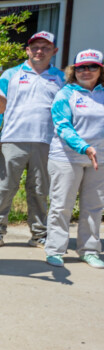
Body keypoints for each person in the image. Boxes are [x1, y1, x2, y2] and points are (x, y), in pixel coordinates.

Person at [0, 31, 65, 250]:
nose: (39, 51)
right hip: (12, 140)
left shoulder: (61, 78)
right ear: (27, 50)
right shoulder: (11, 74)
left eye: (45, 47)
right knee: (2, 188)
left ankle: (39, 234)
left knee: (40, 190)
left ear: (54, 51)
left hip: (47, 142)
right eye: (35, 47)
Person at [44, 49, 104, 268]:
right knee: (62, 205)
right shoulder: (65, 94)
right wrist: (84, 147)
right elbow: (62, 126)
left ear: (101, 70)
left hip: (100, 160)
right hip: (66, 158)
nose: (86, 71)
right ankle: (55, 250)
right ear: (73, 70)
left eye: (92, 66)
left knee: (94, 206)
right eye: (81, 67)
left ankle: (89, 250)